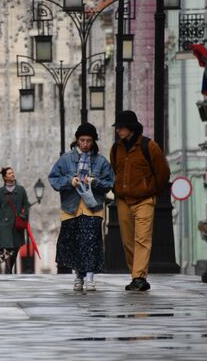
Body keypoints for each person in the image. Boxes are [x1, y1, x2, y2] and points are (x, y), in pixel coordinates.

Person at [49, 122, 115, 291]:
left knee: (91, 242)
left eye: (89, 140)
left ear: (94, 141)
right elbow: (53, 178)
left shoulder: (101, 162)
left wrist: (95, 182)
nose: (85, 144)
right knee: (74, 243)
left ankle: (91, 278)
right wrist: (69, 181)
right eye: (82, 140)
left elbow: (109, 183)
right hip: (71, 208)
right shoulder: (65, 159)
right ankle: (78, 276)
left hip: (93, 208)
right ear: (77, 140)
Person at [110, 110, 170, 291]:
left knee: (142, 239)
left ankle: (139, 277)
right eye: (117, 127)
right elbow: (115, 170)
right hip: (123, 200)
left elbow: (163, 173)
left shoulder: (149, 146)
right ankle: (135, 275)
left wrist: (152, 192)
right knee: (128, 241)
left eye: (121, 127)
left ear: (131, 128)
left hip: (144, 199)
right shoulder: (116, 148)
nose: (118, 131)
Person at [0, 167, 30, 274]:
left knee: (15, 248)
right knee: (5, 247)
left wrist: (24, 215)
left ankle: (9, 268)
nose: (12, 174)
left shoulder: (21, 190)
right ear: (5, 177)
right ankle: (8, 271)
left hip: (17, 224)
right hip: (3, 225)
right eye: (9, 173)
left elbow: (26, 205)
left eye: (12, 172)